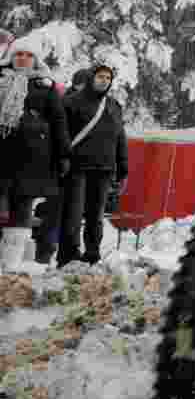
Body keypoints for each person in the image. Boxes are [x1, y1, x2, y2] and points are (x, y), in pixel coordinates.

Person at [0, 34, 70, 275]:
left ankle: (9, 266)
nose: (23, 59)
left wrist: (63, 155)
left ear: (35, 60)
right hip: (2, 155)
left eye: (28, 55)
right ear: (11, 56)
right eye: (19, 54)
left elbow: (59, 121)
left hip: (32, 160)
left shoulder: (45, 87)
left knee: (21, 210)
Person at [58, 64, 128, 266]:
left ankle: (92, 255)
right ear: (91, 78)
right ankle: (68, 257)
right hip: (76, 168)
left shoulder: (114, 105)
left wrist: (123, 168)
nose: (104, 80)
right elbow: (61, 135)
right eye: (100, 76)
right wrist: (62, 159)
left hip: (104, 169)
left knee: (95, 217)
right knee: (73, 215)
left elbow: (120, 138)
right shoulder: (71, 102)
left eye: (108, 77)